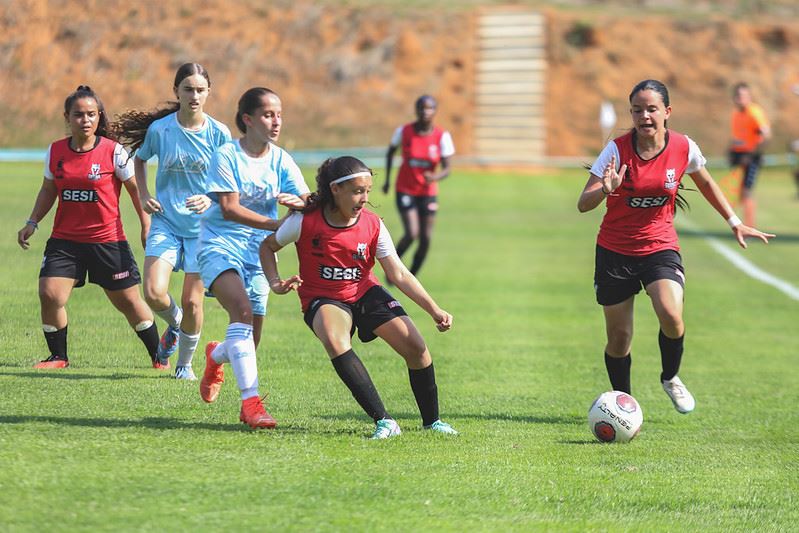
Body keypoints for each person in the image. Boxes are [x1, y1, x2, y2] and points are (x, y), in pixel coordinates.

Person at [577, 79, 774, 414]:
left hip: (659, 246)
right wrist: (605, 189)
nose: (645, 116)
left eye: (652, 109)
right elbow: (583, 203)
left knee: (671, 314)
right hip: (615, 251)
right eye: (637, 110)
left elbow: (707, 182)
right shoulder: (617, 150)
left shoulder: (683, 147)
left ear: (667, 112)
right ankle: (626, 405)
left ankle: (670, 376)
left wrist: (733, 221)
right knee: (619, 339)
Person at [261, 155, 458, 439]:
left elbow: (399, 273)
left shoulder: (373, 224)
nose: (364, 198)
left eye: (367, 191)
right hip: (323, 297)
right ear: (335, 190)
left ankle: (432, 422)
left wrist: (434, 310)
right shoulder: (305, 221)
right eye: (357, 191)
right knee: (334, 338)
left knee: (416, 348)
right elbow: (268, 247)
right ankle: (385, 421)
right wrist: (276, 282)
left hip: (364, 291)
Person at [17, 85, 161, 369]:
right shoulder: (56, 150)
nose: (85, 120)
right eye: (79, 114)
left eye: (91, 114)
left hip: (107, 241)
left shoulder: (114, 152)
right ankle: (58, 356)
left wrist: (147, 227)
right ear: (67, 117)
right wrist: (32, 221)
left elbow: (136, 192)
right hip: (64, 241)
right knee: (49, 294)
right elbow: (49, 190)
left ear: (99, 117)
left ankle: (160, 356)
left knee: (128, 303)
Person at [197, 87, 308, 429]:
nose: (276, 122)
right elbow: (229, 209)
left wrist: (302, 203)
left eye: (279, 114)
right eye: (267, 114)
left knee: (249, 341)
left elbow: (305, 198)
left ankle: (216, 355)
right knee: (242, 313)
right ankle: (251, 406)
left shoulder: (280, 159)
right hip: (219, 243)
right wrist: (278, 223)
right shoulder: (226, 155)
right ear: (247, 119)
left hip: (259, 252)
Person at [113, 63, 232, 379]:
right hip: (165, 221)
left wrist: (211, 198)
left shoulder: (220, 133)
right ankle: (176, 324)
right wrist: (143, 195)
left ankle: (184, 366)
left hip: (203, 229)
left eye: (200, 90)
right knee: (152, 292)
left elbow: (230, 180)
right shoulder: (161, 130)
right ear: (176, 91)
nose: (194, 96)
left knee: (194, 303)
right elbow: (139, 159)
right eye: (188, 89)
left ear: (208, 92)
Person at [382, 95, 454, 276]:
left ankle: (411, 277)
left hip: (427, 192)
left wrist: (435, 176)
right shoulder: (404, 132)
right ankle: (393, 270)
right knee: (412, 233)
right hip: (405, 189)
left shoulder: (441, 136)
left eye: (429, 108)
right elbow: (390, 153)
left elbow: (447, 168)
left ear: (435, 111)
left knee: (426, 238)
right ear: (416, 110)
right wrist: (387, 181)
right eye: (422, 108)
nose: (425, 111)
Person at [729, 82, 771, 226]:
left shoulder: (754, 112)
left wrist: (752, 154)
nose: (741, 99)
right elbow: (739, 137)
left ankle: (749, 227)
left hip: (751, 158)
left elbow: (765, 134)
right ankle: (741, 224)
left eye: (744, 96)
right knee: (740, 192)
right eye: (739, 96)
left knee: (747, 191)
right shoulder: (736, 113)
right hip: (740, 157)